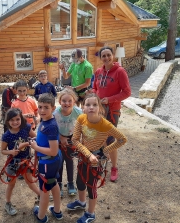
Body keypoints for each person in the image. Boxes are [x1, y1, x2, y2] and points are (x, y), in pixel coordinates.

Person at [66, 93, 127, 223]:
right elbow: (75, 140)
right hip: (84, 156)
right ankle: (82, 202)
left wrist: (105, 150)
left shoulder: (105, 124)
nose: (91, 107)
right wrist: (88, 154)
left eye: (95, 104)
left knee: (91, 186)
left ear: (100, 107)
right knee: (80, 181)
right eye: (88, 104)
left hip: (97, 160)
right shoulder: (81, 119)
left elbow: (122, 139)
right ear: (83, 107)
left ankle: (91, 214)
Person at [90, 46, 131, 182]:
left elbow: (127, 92)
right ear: (100, 58)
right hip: (99, 109)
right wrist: (94, 94)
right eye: (103, 56)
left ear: (112, 56)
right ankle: (101, 163)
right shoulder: (98, 71)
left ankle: (114, 167)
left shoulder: (120, 72)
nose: (106, 58)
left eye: (108, 55)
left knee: (111, 138)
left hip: (112, 110)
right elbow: (95, 87)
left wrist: (110, 99)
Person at [30, 93, 63, 223]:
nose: (42, 110)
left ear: (53, 108)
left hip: (48, 162)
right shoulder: (45, 120)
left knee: (44, 191)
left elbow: (53, 151)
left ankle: (41, 217)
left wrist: (36, 147)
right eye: (40, 107)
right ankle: (57, 211)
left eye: (46, 107)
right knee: (53, 184)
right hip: (50, 162)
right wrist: (36, 141)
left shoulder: (51, 126)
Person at [1, 108, 40, 216]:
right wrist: (11, 151)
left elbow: (35, 137)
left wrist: (27, 143)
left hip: (25, 161)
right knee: (11, 184)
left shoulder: (26, 128)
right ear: (7, 121)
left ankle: (40, 195)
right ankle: (8, 203)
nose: (15, 122)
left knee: (30, 181)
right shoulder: (6, 135)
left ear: (21, 119)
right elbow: (3, 150)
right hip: (13, 163)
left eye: (17, 119)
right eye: (12, 120)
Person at [53, 88, 82, 197]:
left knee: (69, 161)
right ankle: (59, 183)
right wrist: (60, 137)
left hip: (71, 138)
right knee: (59, 161)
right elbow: (51, 128)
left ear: (74, 101)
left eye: (70, 101)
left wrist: (76, 137)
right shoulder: (55, 114)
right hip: (58, 139)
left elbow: (84, 125)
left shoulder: (78, 112)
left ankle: (70, 183)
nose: (67, 103)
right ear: (60, 102)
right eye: (64, 101)